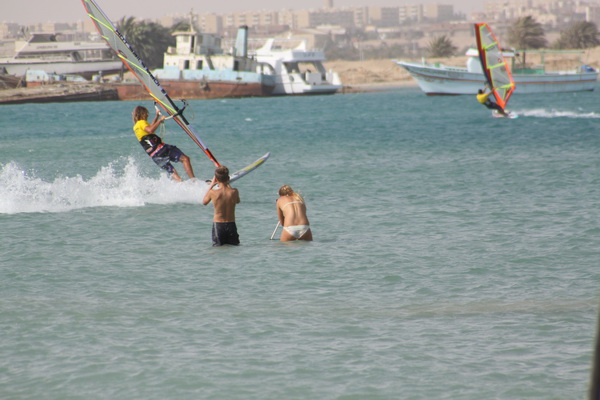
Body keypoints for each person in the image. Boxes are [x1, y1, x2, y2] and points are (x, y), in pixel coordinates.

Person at [132, 105, 196, 182]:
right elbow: (150, 130)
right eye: (146, 113)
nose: (147, 115)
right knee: (185, 159)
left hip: (155, 156)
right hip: (161, 149)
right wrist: (160, 120)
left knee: (173, 173)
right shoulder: (141, 122)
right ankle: (194, 181)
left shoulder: (136, 126)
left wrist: (157, 117)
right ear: (142, 114)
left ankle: (183, 187)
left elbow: (150, 127)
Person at [202, 166, 240, 246]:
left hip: (218, 225)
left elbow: (204, 202)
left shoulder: (212, 192)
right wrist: (228, 184)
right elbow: (237, 201)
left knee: (217, 249)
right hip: (231, 224)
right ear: (228, 178)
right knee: (234, 248)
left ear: (216, 179)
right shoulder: (234, 191)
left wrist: (212, 184)